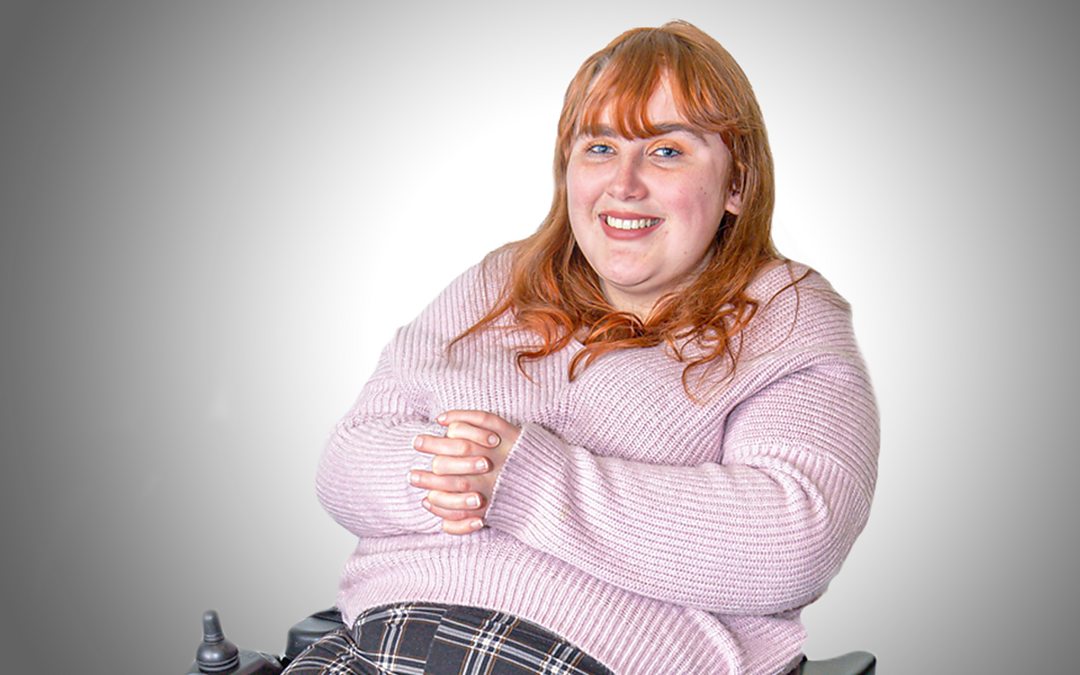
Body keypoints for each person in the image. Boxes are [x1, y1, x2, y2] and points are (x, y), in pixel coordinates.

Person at [285, 20, 879, 675]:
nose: (623, 183)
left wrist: (525, 482)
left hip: (577, 656)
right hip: (376, 636)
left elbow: (792, 542)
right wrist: (466, 476)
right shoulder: (498, 283)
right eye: (599, 147)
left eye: (666, 151)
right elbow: (347, 460)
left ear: (736, 184)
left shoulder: (786, 315)